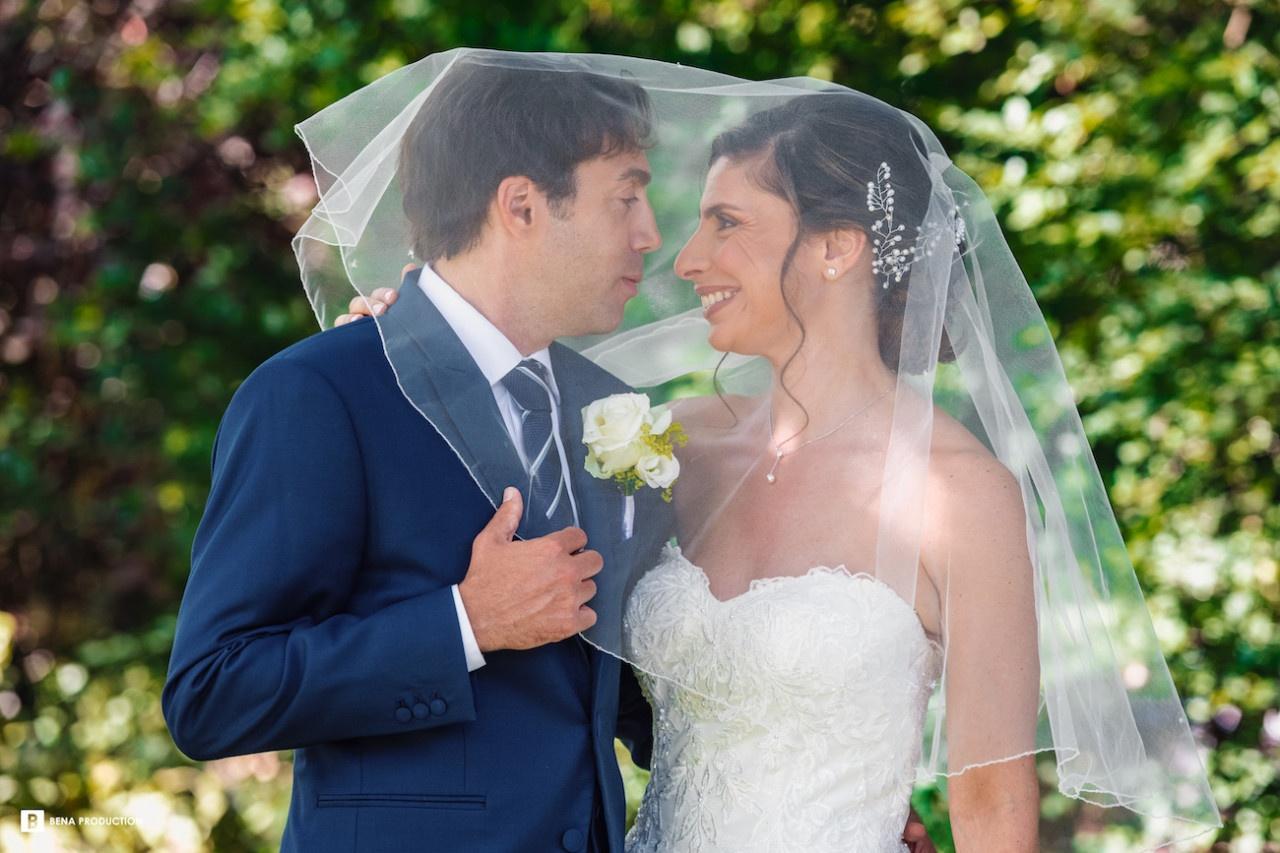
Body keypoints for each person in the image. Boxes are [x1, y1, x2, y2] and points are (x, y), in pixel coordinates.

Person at [325, 52, 1218, 853]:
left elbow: (989, 806)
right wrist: (413, 333)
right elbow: (507, 494)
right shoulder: (673, 442)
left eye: (726, 223)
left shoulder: (960, 496)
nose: (685, 258)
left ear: (837, 248)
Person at [163, 58, 672, 853]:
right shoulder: (320, 394)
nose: (650, 233)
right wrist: (464, 622)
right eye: (626, 195)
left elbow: (614, 693)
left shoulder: (610, 410)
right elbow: (212, 692)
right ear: (522, 205)